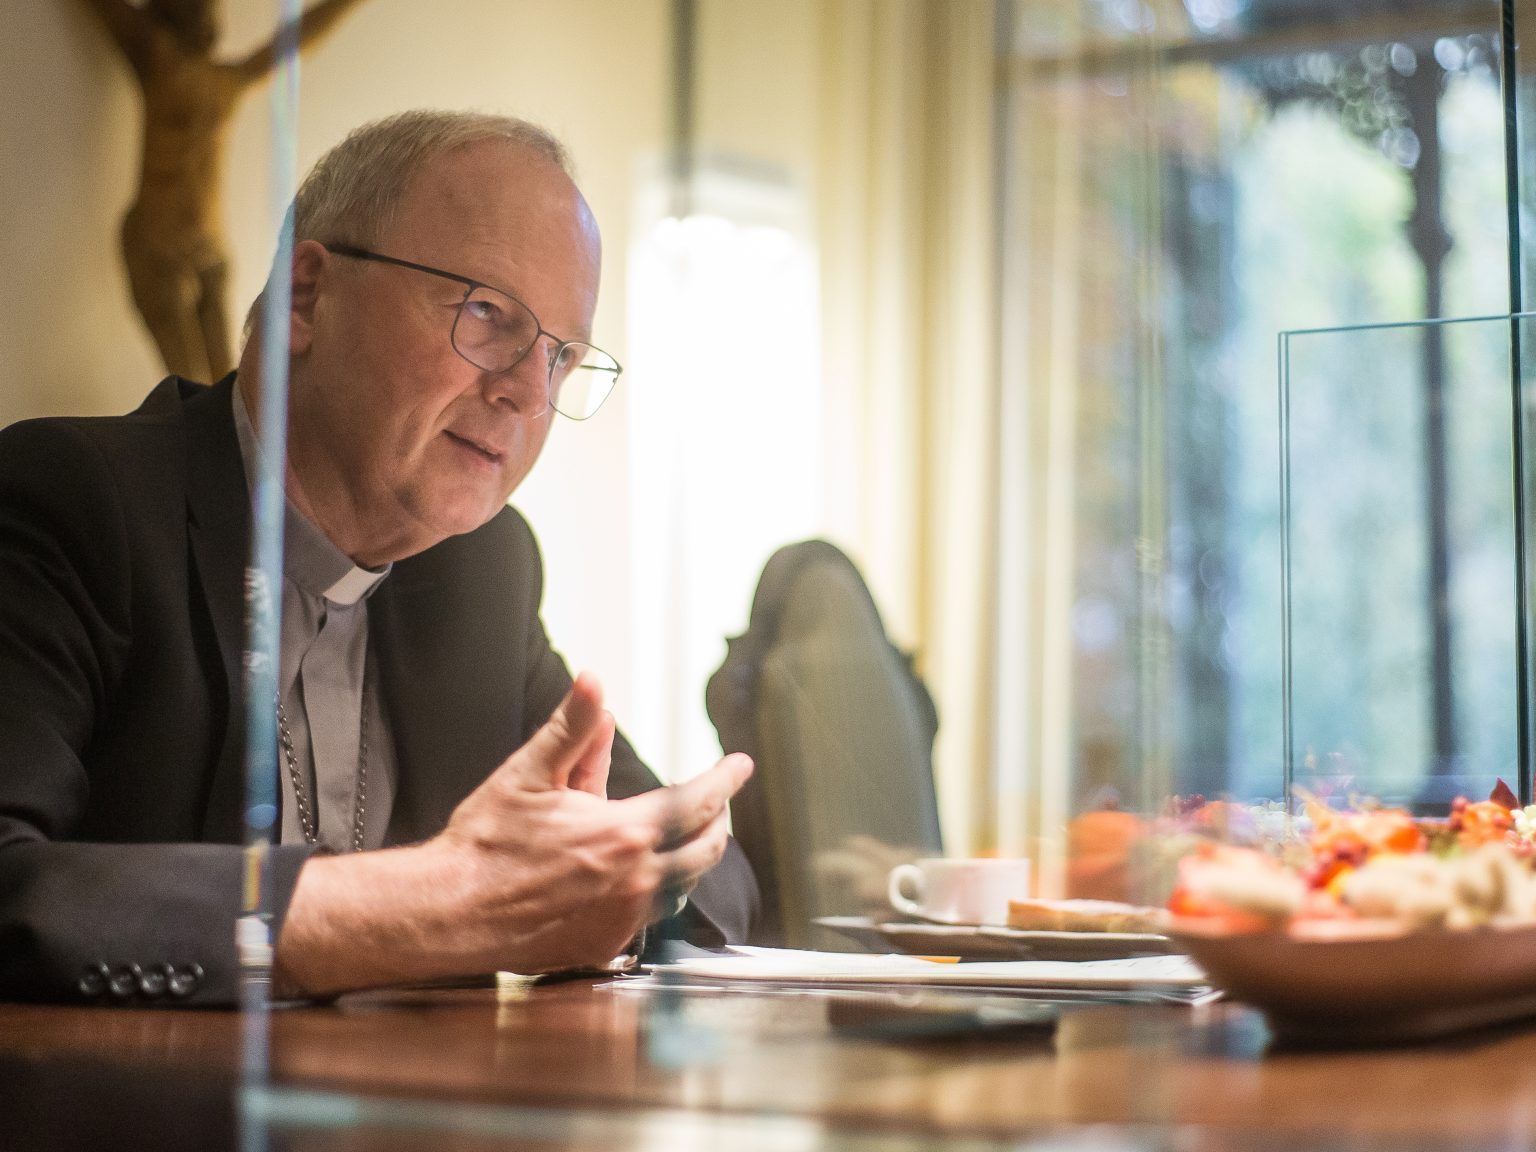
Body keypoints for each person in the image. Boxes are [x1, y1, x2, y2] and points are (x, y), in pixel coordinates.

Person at [0, 110, 758, 1005]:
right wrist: (439, 903)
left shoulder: (483, 570)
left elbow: (714, 882)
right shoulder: (72, 504)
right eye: (487, 314)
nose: (526, 392)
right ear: (308, 297)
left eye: (560, 357)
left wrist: (609, 887)